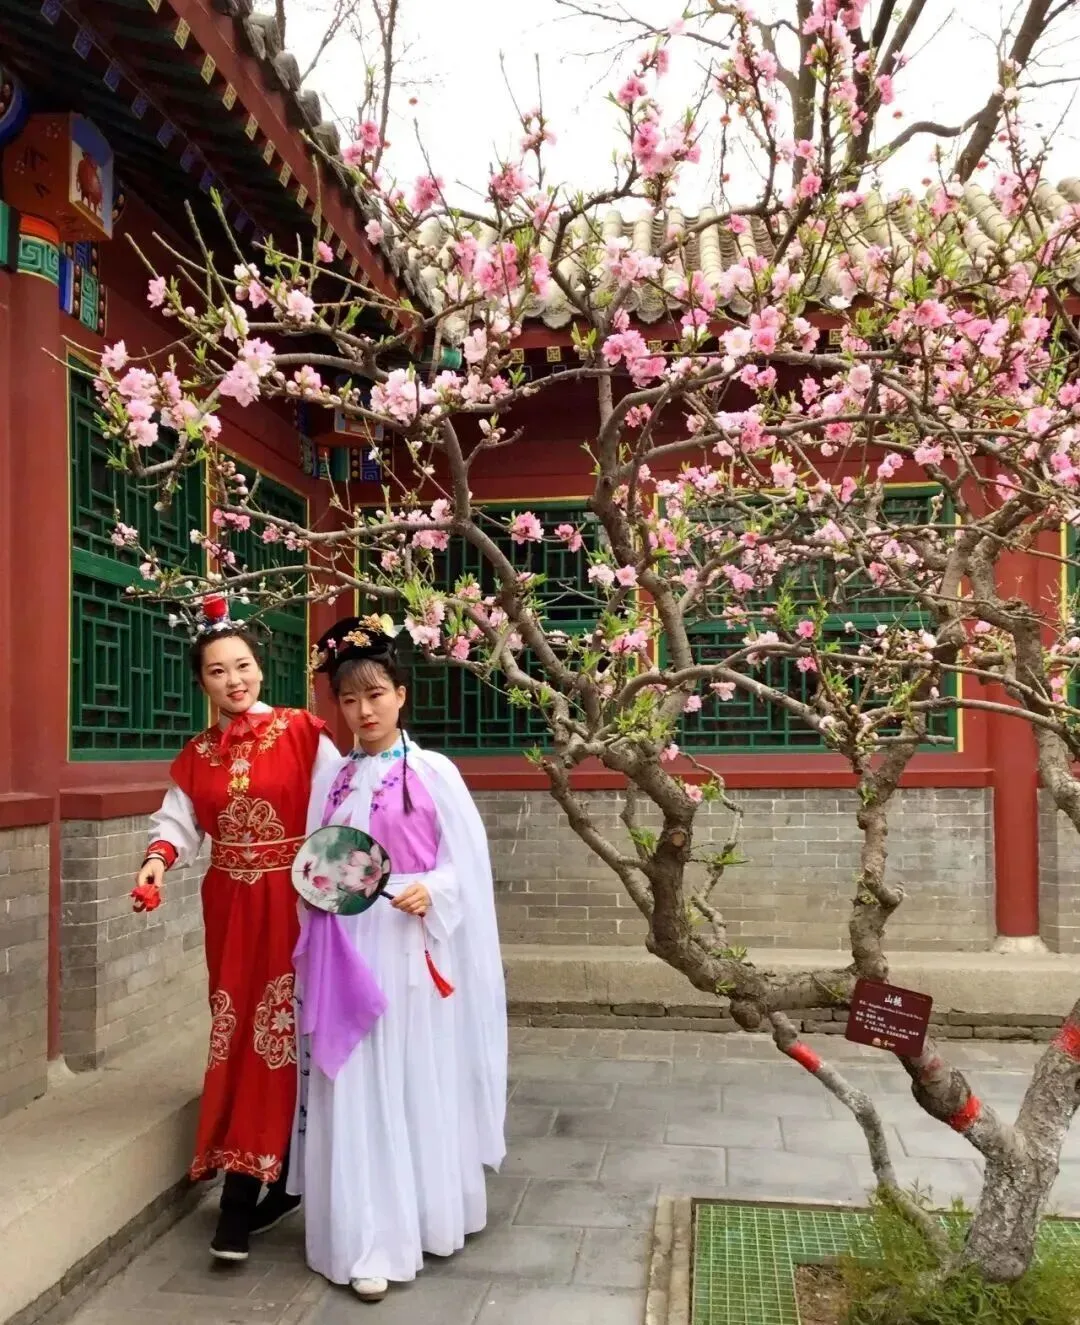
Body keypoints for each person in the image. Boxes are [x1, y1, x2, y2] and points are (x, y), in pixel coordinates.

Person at [288, 615, 506, 1303]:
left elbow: (466, 869)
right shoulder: (333, 777)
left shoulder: (434, 772)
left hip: (408, 946)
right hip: (344, 947)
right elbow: (315, 863)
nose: (364, 710)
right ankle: (366, 1237)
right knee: (354, 1082)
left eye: (376, 694)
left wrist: (431, 889)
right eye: (350, 699)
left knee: (411, 1074)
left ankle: (424, 1218)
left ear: (401, 694)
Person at [133, 593, 341, 1261]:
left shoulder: (304, 732)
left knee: (284, 1034)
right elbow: (177, 822)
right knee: (237, 1032)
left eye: (243, 665)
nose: (234, 679)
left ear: (260, 667)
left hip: (297, 902)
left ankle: (253, 1191)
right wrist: (156, 863)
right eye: (218, 670)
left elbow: (341, 812)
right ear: (203, 682)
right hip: (230, 906)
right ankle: (259, 1176)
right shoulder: (198, 754)